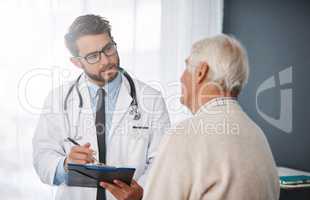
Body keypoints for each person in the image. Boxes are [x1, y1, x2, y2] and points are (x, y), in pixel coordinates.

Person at [32, 14, 170, 200]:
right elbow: (43, 157)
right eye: (93, 56)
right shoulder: (58, 100)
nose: (105, 61)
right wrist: (65, 165)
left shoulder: (151, 99)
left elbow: (162, 160)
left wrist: (142, 191)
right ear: (77, 62)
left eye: (108, 49)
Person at [143, 34, 280, 200]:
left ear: (201, 72)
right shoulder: (257, 136)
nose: (181, 77)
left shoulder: (184, 136)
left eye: (186, 67)